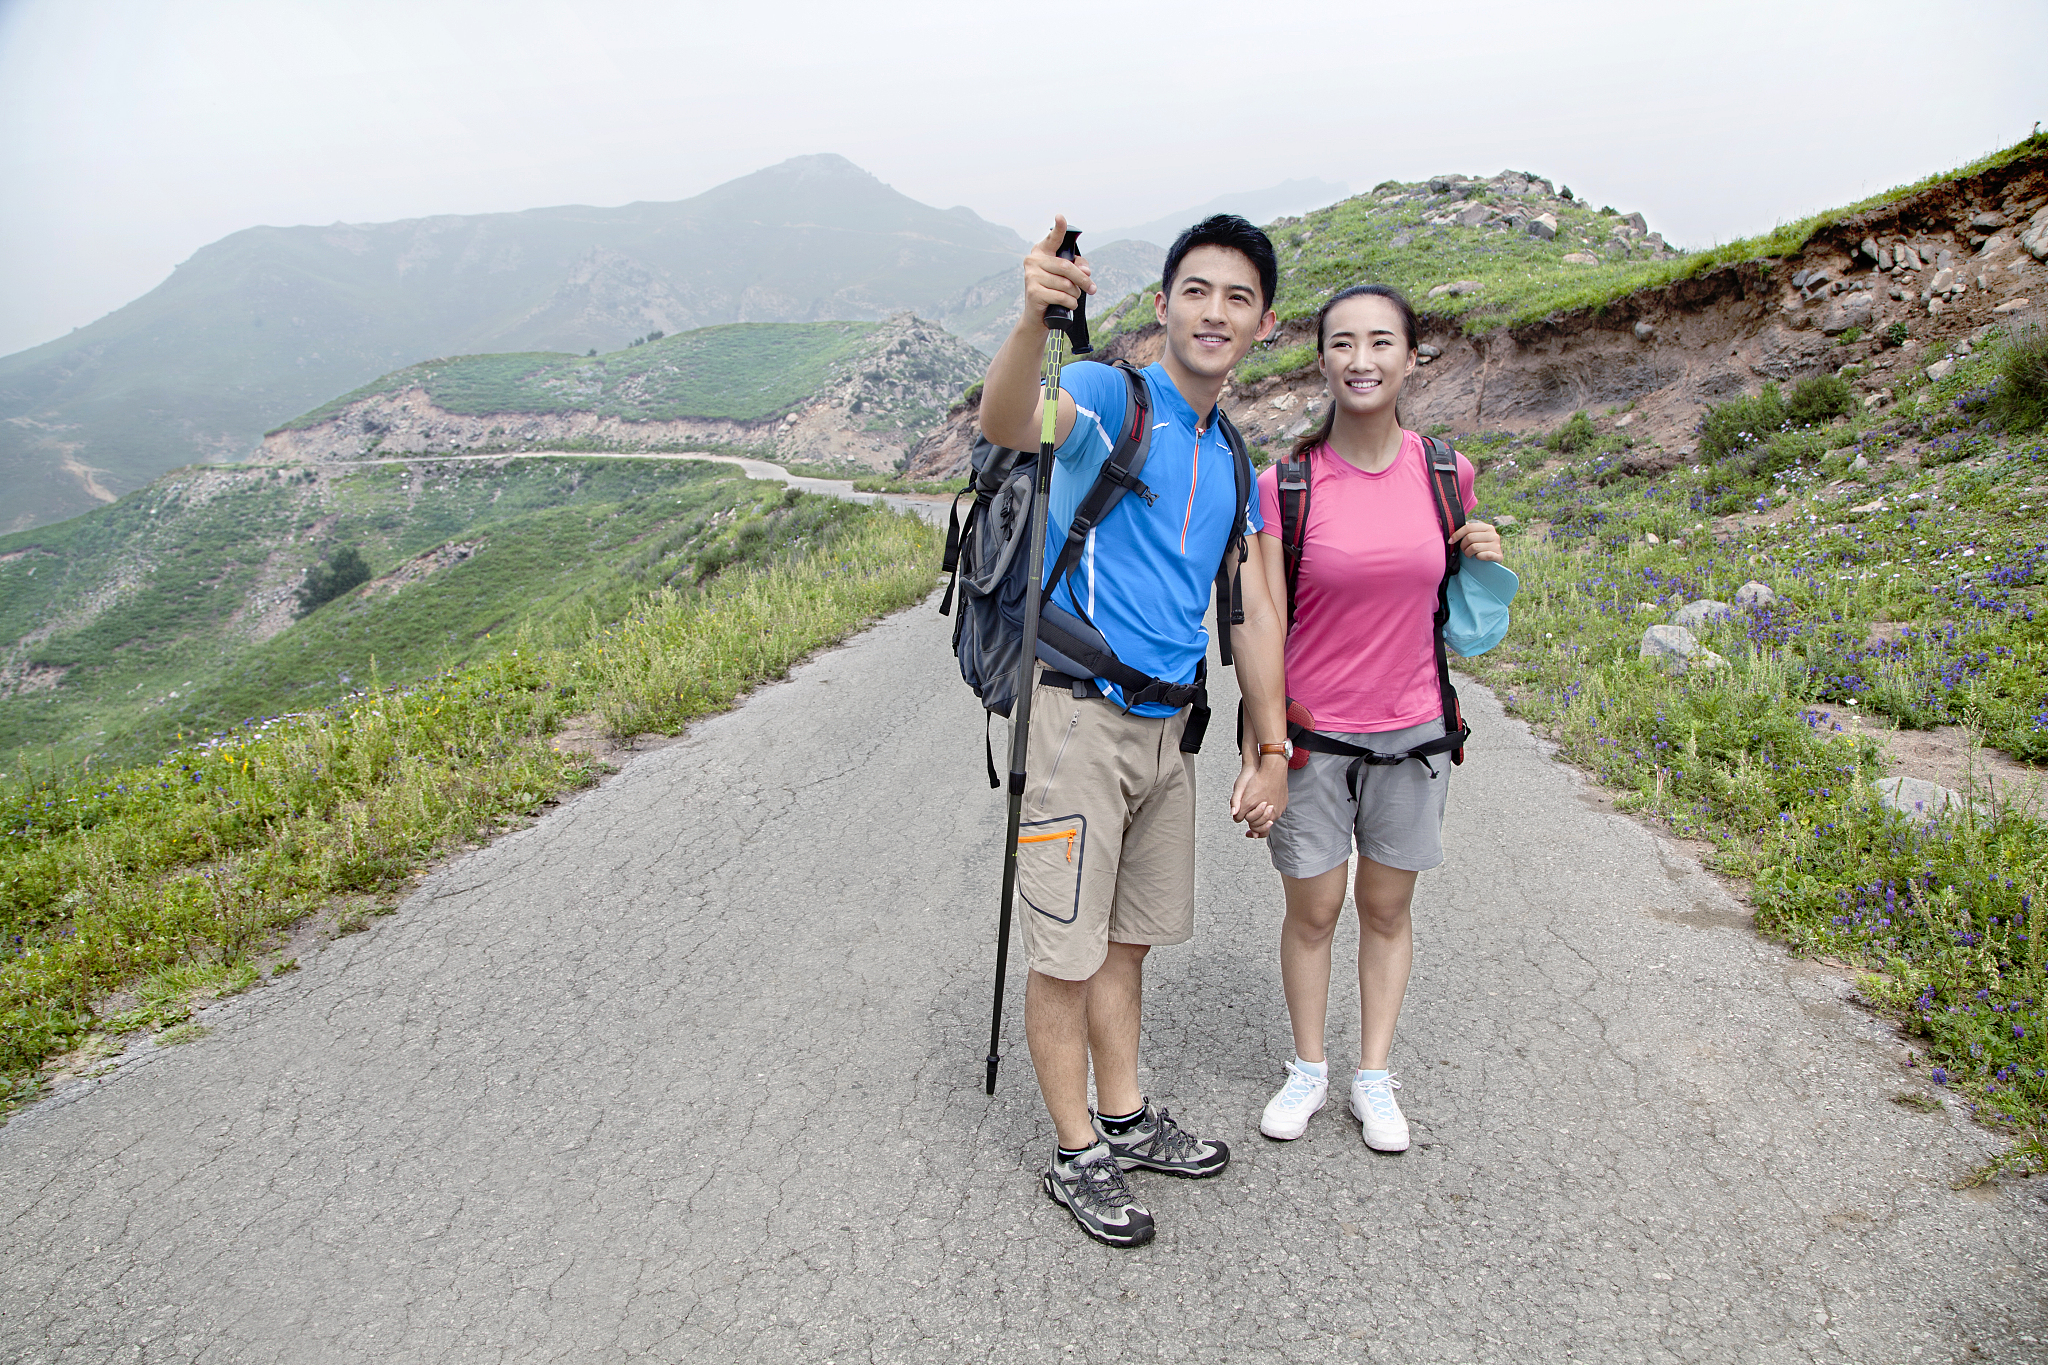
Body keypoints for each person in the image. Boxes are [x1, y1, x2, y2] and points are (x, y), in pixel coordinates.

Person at [977, 213, 1292, 1247]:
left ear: (1263, 325)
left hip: (1167, 736)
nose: (1214, 312)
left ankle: (1123, 1116)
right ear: (1162, 306)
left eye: (1237, 297)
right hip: (1077, 721)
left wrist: (1271, 745)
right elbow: (1009, 420)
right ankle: (1076, 1152)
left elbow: (1246, 608)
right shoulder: (1112, 399)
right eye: (1196, 290)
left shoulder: (1230, 452)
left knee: (1126, 944)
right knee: (1065, 954)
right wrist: (1032, 319)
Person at [1246, 285, 1504, 1152]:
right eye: (1344, 343)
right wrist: (1263, 746)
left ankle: (1373, 1076)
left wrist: (1484, 554)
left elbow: (1458, 607)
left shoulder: (1447, 474)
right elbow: (1263, 625)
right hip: (1313, 737)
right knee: (1315, 909)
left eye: (1382, 342)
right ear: (1322, 358)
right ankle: (1309, 1067)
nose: (1363, 360)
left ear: (1411, 357)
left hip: (1414, 731)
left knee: (1387, 908)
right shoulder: (1284, 485)